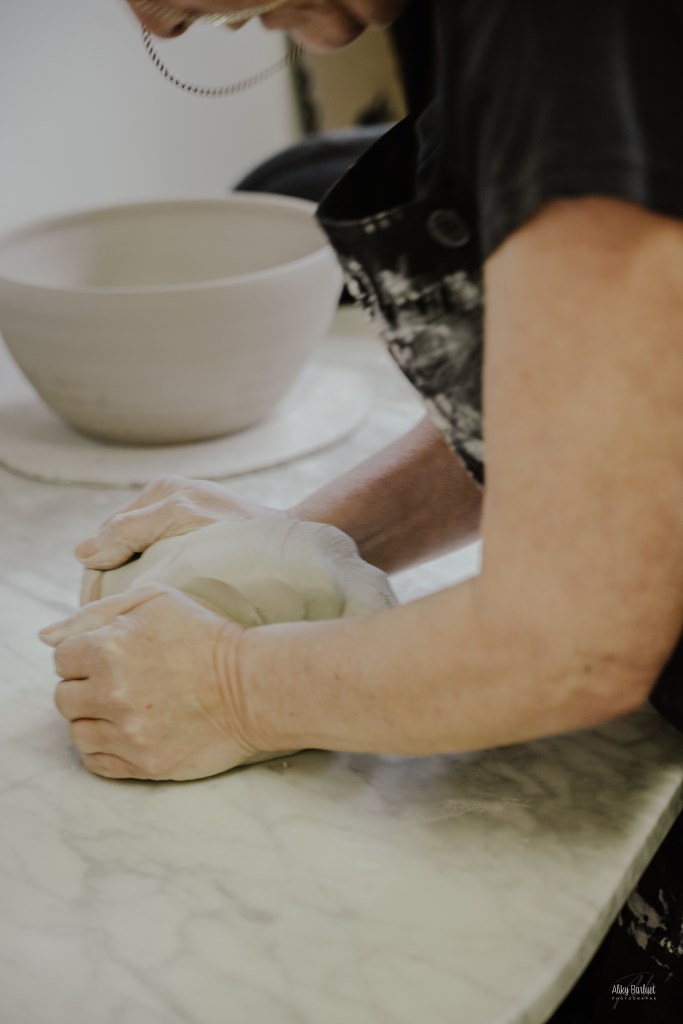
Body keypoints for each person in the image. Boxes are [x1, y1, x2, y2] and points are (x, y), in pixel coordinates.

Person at [40, 1, 683, 1016]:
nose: (157, 25)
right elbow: (601, 391)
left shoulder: (562, 28)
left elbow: (572, 641)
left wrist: (231, 687)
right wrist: (301, 544)